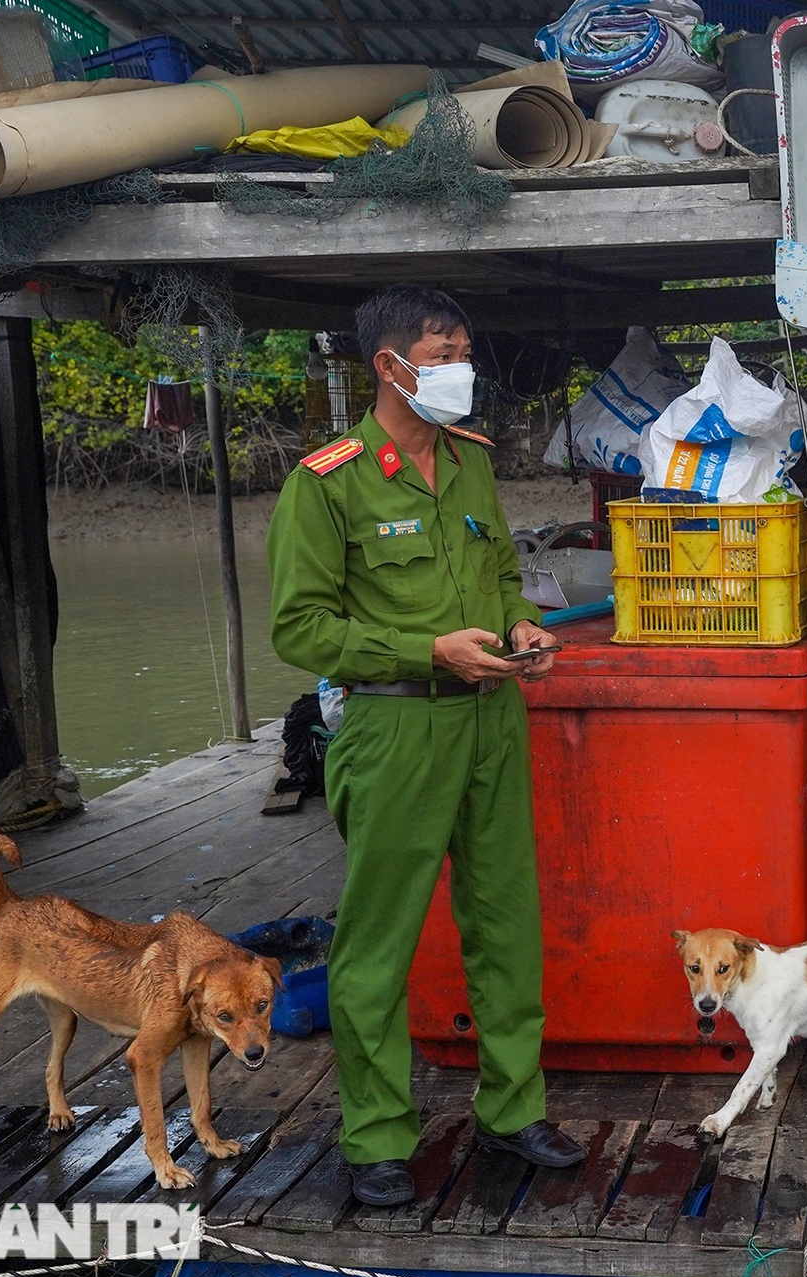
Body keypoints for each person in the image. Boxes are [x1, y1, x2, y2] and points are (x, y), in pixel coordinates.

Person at [267, 284, 583, 1208]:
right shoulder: (326, 480)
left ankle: (513, 1109)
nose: (460, 369)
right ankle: (375, 1137)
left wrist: (522, 628)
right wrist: (422, 651)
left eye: (462, 351)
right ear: (391, 367)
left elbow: (498, 577)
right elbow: (300, 627)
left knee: (505, 926)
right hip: (395, 724)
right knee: (377, 943)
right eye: (443, 353)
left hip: (493, 721)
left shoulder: (472, 461)